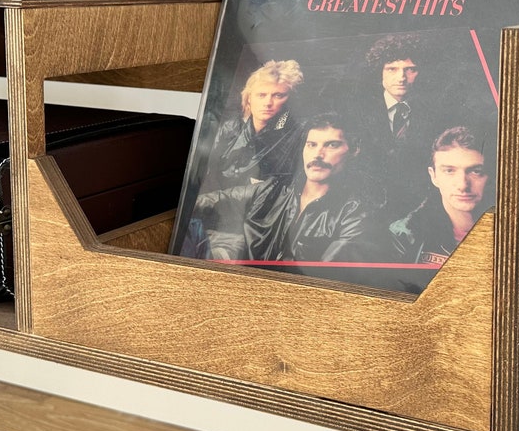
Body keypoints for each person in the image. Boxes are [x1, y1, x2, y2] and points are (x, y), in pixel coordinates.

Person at [185, 112, 380, 266]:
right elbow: (213, 201)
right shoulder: (275, 190)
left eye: (332, 145)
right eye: (311, 145)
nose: (318, 154)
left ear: (354, 150)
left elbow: (323, 276)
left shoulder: (355, 214)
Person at [353, 33, 438, 219]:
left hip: (418, 209)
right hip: (366, 210)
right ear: (380, 72)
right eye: (392, 69)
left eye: (410, 69)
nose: (401, 77)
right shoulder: (357, 112)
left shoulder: (435, 113)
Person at [389, 126, 492, 267]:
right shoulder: (405, 235)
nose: (462, 185)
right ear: (434, 176)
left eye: (476, 171)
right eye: (449, 171)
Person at [203, 59, 304, 191]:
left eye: (278, 95)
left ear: (289, 100)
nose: (268, 103)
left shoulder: (294, 137)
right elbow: (208, 172)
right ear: (249, 98)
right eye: (261, 95)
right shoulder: (230, 127)